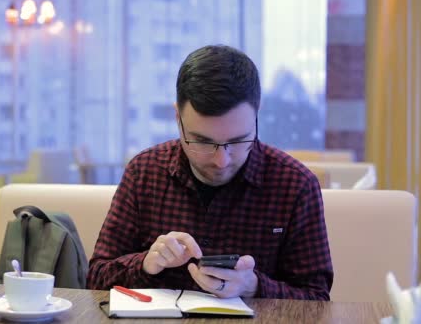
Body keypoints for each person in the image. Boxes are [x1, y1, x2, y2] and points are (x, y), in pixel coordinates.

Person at [86, 45, 333, 300]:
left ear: (256, 117)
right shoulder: (145, 173)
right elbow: (95, 278)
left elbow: (316, 298)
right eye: (202, 142)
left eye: (238, 141)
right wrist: (146, 264)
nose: (221, 161)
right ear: (177, 118)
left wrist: (254, 286)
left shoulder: (294, 185)